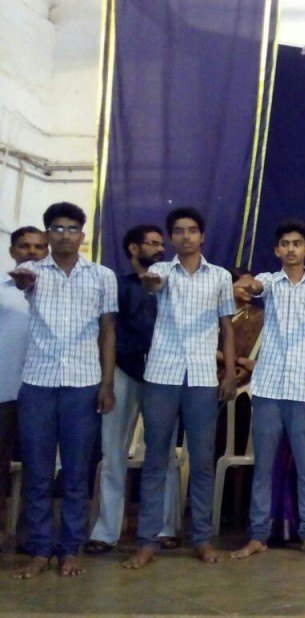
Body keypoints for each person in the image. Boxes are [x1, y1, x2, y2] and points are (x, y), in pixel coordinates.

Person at [123, 207, 236, 570]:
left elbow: (227, 327)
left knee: (202, 460)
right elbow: (151, 285)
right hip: (162, 373)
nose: (186, 236)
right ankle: (147, 541)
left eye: (192, 230)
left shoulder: (220, 276)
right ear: (171, 238)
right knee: (156, 459)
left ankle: (201, 538)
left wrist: (229, 373)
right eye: (179, 231)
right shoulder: (160, 271)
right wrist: (151, 283)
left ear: (202, 236)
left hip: (203, 376)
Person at [9, 203, 117, 579]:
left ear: (82, 235)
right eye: (57, 228)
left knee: (75, 473)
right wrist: (22, 280)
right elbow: (22, 282)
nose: (65, 235)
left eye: (72, 229)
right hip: (38, 384)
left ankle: (70, 549)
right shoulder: (33, 273)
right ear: (47, 235)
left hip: (84, 385)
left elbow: (108, 332)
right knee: (37, 473)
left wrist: (107, 384)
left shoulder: (102, 276)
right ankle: (40, 550)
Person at [229, 220, 305, 560]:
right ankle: (257, 535)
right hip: (268, 387)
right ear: (277, 250)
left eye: (297, 243)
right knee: (263, 466)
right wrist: (249, 284)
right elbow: (254, 287)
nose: (291, 249)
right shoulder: (270, 282)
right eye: (285, 243)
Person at [87, 225, 182, 555]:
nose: (159, 248)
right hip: (123, 372)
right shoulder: (118, 284)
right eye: (151, 243)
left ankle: (164, 528)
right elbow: (107, 331)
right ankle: (106, 532)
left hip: (163, 375)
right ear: (133, 248)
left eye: (160, 243)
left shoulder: (172, 284)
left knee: (163, 453)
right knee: (113, 453)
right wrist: (107, 382)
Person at [0, 226, 47, 553]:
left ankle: (33, 537)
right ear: (12, 251)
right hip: (4, 390)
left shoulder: (58, 292)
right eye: (25, 246)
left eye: (39, 247)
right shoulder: (1, 291)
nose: (32, 251)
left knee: (38, 468)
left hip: (43, 390)